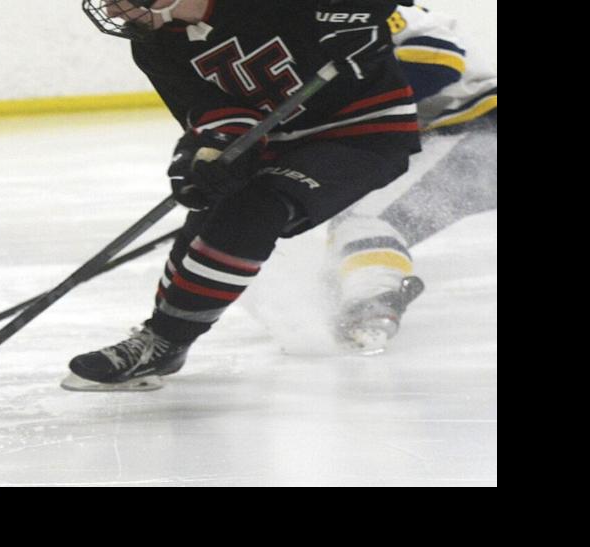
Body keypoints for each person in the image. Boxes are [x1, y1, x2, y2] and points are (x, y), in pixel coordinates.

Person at [69, 0, 421, 389]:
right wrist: (202, 157)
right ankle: (161, 340)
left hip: (362, 134)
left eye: (121, 2)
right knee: (214, 204)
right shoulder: (154, 45)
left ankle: (167, 340)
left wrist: (359, 21)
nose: (115, 14)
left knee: (254, 211)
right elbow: (209, 111)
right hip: (278, 141)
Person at [326, 2, 496, 349]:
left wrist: (341, 109)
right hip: (463, 135)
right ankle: (354, 292)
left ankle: (372, 302)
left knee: (361, 220)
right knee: (349, 250)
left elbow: (438, 59)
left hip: (478, 129)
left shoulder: (352, 7)